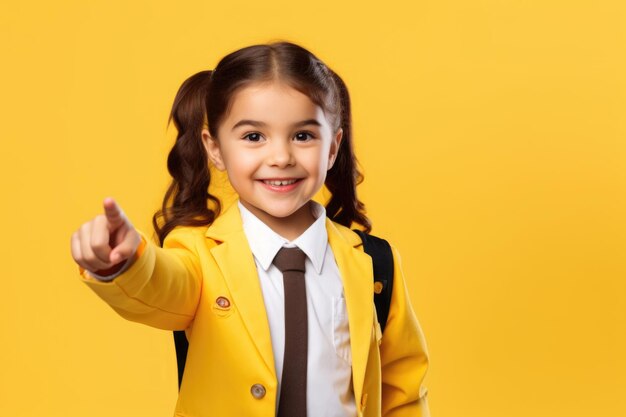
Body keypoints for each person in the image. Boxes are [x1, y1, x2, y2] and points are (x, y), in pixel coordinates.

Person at [70, 41, 430, 417]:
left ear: (333, 147)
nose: (280, 158)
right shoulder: (198, 254)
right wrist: (124, 264)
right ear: (215, 149)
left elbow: (403, 388)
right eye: (253, 137)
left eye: (303, 135)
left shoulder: (374, 263)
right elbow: (163, 285)